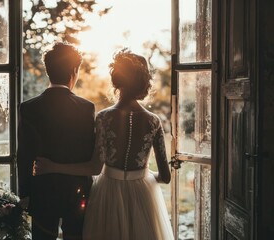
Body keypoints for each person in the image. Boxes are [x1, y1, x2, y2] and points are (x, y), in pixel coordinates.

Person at [36, 48, 175, 240]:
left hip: (108, 193)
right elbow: (166, 177)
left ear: (116, 80)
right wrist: (145, 176)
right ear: (143, 83)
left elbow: (94, 167)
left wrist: (53, 166)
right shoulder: (154, 121)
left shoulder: (104, 118)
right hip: (144, 196)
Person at [17, 42, 95, 240]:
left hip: (42, 191)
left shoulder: (28, 108)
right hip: (77, 192)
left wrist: (24, 193)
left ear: (47, 70)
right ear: (74, 70)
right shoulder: (86, 108)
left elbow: (24, 155)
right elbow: (89, 154)